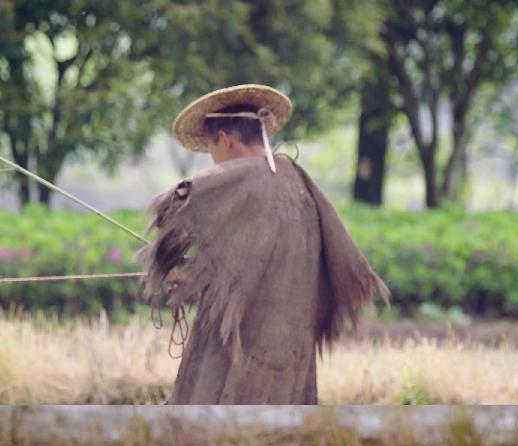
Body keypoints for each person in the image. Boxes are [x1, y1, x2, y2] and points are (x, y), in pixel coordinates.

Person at [136, 84, 388, 404]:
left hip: (243, 349)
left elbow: (179, 201)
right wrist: (195, 276)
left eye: (213, 153)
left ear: (225, 139)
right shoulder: (299, 182)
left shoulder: (239, 179)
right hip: (291, 350)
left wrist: (174, 269)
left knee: (212, 428)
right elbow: (250, 266)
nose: (214, 165)